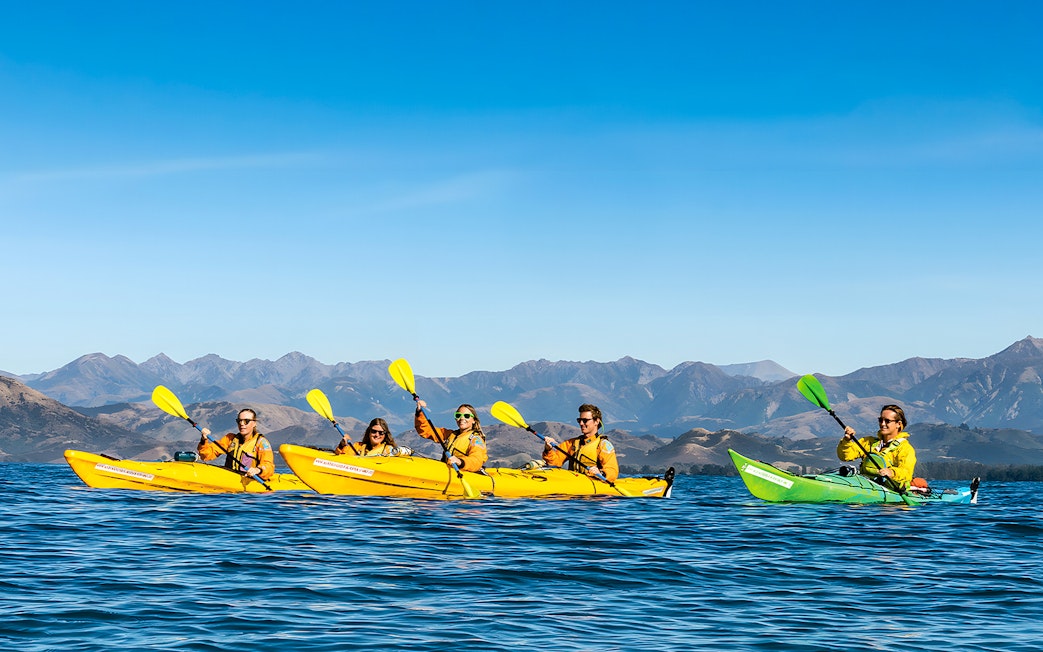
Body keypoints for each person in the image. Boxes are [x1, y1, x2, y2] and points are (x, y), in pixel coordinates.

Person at [837, 404, 917, 490]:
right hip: (865, 484)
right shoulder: (868, 442)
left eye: (887, 421)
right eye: (880, 420)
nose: (882, 424)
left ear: (898, 424)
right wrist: (846, 441)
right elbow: (845, 456)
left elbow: (907, 473)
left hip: (890, 490)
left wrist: (892, 472)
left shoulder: (905, 449)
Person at [542, 403, 619, 483]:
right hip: (574, 483)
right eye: (579, 420)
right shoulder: (571, 443)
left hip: (595, 486)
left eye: (585, 420)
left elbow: (612, 470)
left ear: (596, 421)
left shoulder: (603, 445)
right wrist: (548, 450)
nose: (581, 423)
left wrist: (600, 473)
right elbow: (555, 463)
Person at [197, 408, 275, 481]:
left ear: (254, 423)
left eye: (246, 421)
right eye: (239, 421)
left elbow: (268, 465)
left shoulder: (261, 442)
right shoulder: (230, 439)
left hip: (250, 482)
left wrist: (258, 470)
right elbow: (206, 456)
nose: (242, 424)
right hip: (230, 479)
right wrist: (204, 440)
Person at [414, 401, 487, 472]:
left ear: (474, 420)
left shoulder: (476, 439)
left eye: (466, 416)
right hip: (449, 470)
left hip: (465, 473)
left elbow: (476, 460)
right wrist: (419, 412)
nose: (462, 418)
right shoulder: (450, 434)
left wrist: (460, 462)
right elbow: (426, 430)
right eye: (458, 415)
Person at [334, 418, 410, 457]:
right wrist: (342, 445)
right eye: (374, 431)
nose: (377, 435)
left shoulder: (389, 450)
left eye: (381, 433)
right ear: (369, 432)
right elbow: (342, 456)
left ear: (385, 434)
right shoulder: (357, 447)